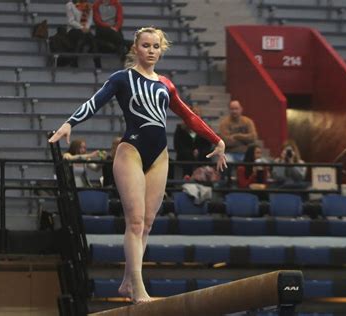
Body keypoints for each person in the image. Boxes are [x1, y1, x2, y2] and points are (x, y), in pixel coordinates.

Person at [49, 26, 227, 304]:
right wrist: (69, 123)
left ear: (161, 49)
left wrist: (217, 139)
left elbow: (189, 116)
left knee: (146, 223)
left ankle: (127, 283)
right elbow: (95, 101)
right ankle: (138, 289)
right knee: (134, 221)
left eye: (156, 46)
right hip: (131, 151)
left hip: (159, 156)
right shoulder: (123, 78)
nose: (151, 51)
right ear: (135, 48)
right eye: (146, 46)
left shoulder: (166, 84)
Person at [173, 106, 213, 177]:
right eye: (192, 115)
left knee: (206, 160)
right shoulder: (180, 129)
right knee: (186, 161)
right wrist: (191, 153)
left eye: (197, 115)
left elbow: (208, 146)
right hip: (185, 157)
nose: (194, 118)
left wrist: (199, 152)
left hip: (202, 157)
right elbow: (178, 146)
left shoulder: (206, 128)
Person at [66, 0, 101, 68]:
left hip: (85, 29)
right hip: (73, 29)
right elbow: (70, 21)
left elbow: (89, 20)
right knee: (82, 37)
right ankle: (74, 61)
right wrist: (81, 27)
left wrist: (86, 27)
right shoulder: (70, 5)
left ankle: (98, 63)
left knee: (92, 39)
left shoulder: (89, 6)